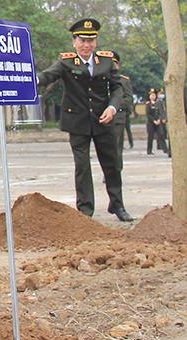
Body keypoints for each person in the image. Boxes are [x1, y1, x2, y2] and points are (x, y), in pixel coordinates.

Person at [37, 18, 133, 222]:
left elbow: (117, 87)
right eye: (82, 41)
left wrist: (112, 107)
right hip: (77, 122)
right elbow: (47, 76)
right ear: (74, 42)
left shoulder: (106, 61)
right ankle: (85, 210)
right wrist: (29, 78)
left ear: (96, 42)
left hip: (104, 120)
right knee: (82, 166)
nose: (86, 45)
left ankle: (117, 205)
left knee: (112, 164)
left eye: (91, 41)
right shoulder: (66, 62)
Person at [111, 51, 134, 172]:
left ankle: (116, 170)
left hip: (118, 117)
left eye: (114, 63)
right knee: (105, 147)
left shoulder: (124, 80)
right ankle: (108, 170)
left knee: (116, 146)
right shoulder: (100, 79)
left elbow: (128, 99)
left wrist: (113, 106)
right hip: (102, 117)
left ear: (118, 65)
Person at [145, 88, 165, 155]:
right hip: (151, 123)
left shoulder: (158, 103)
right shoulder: (148, 104)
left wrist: (159, 119)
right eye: (151, 95)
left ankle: (165, 149)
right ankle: (149, 150)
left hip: (158, 122)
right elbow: (148, 114)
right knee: (150, 137)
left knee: (161, 135)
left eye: (153, 95)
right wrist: (154, 121)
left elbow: (160, 112)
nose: (152, 97)